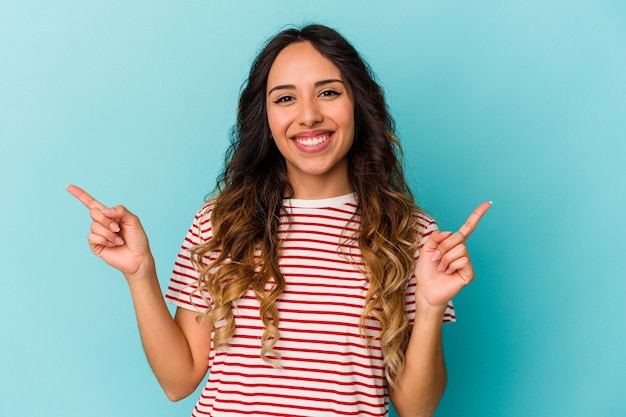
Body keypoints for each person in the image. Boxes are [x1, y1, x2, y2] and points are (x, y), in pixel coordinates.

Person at [68, 24, 490, 417]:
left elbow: (417, 407)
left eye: (328, 92)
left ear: (358, 105)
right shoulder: (220, 222)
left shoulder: (411, 234)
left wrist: (432, 307)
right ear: (265, 118)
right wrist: (141, 274)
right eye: (285, 98)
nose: (308, 115)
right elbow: (179, 382)